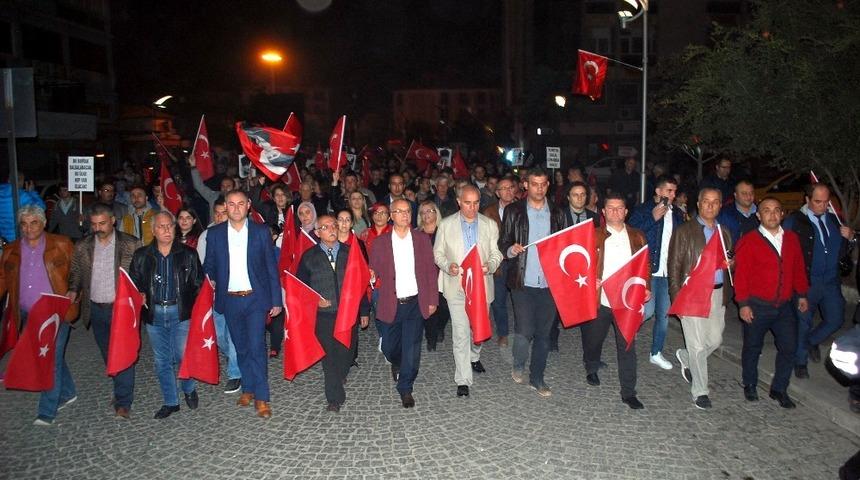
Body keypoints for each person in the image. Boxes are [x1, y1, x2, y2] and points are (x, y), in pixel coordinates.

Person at [203, 190, 282, 419]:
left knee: (257, 347)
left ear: (248, 205)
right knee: (241, 348)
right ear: (225, 207)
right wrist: (211, 277)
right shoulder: (215, 234)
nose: (236, 208)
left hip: (255, 300)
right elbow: (209, 265)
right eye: (231, 204)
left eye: (240, 204)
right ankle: (248, 387)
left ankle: (262, 397)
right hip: (230, 300)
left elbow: (270, 268)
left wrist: (276, 300)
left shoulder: (260, 232)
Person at [0, 206, 79, 425]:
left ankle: (47, 409)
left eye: (33, 222)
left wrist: (75, 292)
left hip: (56, 311)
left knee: (50, 359)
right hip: (27, 313)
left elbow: (77, 273)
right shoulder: (11, 250)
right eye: (24, 223)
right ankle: (69, 391)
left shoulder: (61, 244)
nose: (28, 228)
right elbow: (3, 279)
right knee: (54, 355)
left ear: (43, 223)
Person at [68, 203, 141, 419]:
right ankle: (119, 387)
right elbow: (77, 272)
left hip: (121, 310)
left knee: (124, 353)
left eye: (102, 223)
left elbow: (140, 274)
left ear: (113, 221)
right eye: (94, 224)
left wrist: (141, 294)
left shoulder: (130, 244)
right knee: (107, 353)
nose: (98, 228)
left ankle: (123, 400)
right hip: (96, 308)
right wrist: (73, 290)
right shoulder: (83, 246)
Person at [734, 197, 808, 408]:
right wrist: (743, 304)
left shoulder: (792, 239)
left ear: (782, 214)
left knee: (789, 347)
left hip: (784, 306)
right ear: (759, 215)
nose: (772, 214)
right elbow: (742, 276)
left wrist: (802, 294)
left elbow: (798, 268)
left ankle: (779, 388)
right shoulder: (749, 240)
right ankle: (749, 383)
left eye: (777, 210)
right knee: (752, 347)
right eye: (767, 210)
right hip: (757, 305)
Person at [498, 167, 566, 397]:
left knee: (544, 333)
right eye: (534, 183)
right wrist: (510, 249)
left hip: (549, 282)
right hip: (522, 280)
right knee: (525, 330)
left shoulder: (558, 212)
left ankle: (537, 377)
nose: (539, 188)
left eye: (543, 184)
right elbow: (503, 241)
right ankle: (519, 362)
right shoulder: (513, 211)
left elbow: (566, 246)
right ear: (525, 185)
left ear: (548, 185)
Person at [129, 211, 204, 419]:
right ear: (153, 230)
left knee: (182, 355)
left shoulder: (188, 254)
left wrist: (193, 308)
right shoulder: (142, 256)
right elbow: (132, 283)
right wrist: (139, 293)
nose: (166, 230)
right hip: (154, 314)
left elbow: (199, 284)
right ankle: (171, 401)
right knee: (162, 360)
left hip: (180, 313)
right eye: (161, 227)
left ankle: (188, 388)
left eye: (170, 226)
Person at [433, 186, 502, 397]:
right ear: (458, 202)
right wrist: (448, 266)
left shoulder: (489, 225)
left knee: (476, 331)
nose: (472, 208)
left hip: (480, 286)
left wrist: (489, 266)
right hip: (456, 285)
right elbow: (438, 253)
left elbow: (496, 254)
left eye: (476, 203)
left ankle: (474, 356)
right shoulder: (445, 225)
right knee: (460, 332)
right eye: (467, 203)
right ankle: (463, 378)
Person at [369, 199, 438, 408]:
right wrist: (371, 274)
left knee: (412, 347)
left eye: (408, 211)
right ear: (391, 215)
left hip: (415, 302)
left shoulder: (421, 239)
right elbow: (374, 268)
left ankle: (406, 388)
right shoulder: (381, 242)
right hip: (391, 301)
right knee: (389, 346)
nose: (405, 215)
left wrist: (432, 300)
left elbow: (429, 271)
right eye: (399, 212)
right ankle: (397, 362)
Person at [668, 187, 733, 409]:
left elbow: (727, 261)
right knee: (697, 345)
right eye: (706, 201)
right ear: (699, 204)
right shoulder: (685, 231)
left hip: (716, 292)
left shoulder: (724, 232)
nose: (710, 206)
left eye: (715, 202)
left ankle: (686, 358)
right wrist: (677, 298)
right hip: (692, 293)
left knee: (715, 340)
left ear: (720, 205)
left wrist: (730, 264)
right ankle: (700, 391)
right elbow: (674, 265)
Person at [297, 215, 370, 412]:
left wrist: (364, 310)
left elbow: (361, 283)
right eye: (326, 227)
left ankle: (341, 372)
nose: (332, 229)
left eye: (334, 226)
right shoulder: (309, 257)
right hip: (324, 316)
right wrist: (314, 301)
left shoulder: (351, 253)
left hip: (348, 314)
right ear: (318, 232)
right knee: (328, 358)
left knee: (345, 354)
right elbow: (300, 289)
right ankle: (334, 398)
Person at [783, 183, 856, 379]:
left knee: (836, 319)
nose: (822, 206)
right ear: (807, 200)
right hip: (806, 281)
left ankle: (810, 342)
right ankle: (800, 361)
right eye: (817, 202)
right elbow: (784, 250)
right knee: (803, 322)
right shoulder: (795, 221)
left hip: (830, 280)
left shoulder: (834, 219)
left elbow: (842, 248)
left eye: (826, 202)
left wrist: (849, 238)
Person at [583, 194, 648, 409]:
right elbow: (583, 263)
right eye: (610, 208)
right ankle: (591, 366)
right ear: (603, 211)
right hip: (601, 299)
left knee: (627, 346)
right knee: (594, 340)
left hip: (626, 303)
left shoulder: (637, 236)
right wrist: (591, 278)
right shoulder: (593, 235)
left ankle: (628, 392)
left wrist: (645, 288)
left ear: (626, 211)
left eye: (619, 208)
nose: (615, 212)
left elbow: (644, 266)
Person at [629, 175, 685, 370]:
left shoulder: (677, 213)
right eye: (669, 191)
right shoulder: (644, 209)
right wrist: (652, 218)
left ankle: (656, 352)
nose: (673, 195)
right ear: (658, 192)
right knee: (648, 310)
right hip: (648, 269)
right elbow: (633, 233)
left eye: (675, 191)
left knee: (663, 314)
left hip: (668, 271)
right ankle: (628, 329)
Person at [196, 197, 241, 394]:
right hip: (214, 295)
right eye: (218, 213)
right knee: (220, 335)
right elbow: (202, 264)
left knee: (232, 335)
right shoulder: (207, 236)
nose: (221, 216)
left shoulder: (238, 233)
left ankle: (235, 373)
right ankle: (236, 355)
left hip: (235, 294)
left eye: (225, 212)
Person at [550, 180, 602, 352]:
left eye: (582, 194)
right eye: (575, 195)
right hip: (563, 266)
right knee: (557, 306)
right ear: (568, 197)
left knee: (587, 308)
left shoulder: (594, 218)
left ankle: (590, 348)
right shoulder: (559, 215)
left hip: (584, 269)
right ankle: (552, 338)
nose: (579, 198)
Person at [482, 177, 517, 346]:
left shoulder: (523, 208)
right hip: (499, 261)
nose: (508, 191)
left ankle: (523, 330)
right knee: (499, 299)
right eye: (504, 188)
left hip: (519, 259)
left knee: (519, 299)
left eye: (511, 187)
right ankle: (503, 332)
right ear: (497, 193)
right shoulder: (489, 212)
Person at [419, 201, 449, 351]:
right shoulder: (416, 233)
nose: (426, 214)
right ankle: (431, 337)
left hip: (442, 275)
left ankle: (440, 328)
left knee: (444, 308)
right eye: (423, 212)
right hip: (424, 278)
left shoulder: (444, 231)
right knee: (428, 308)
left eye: (430, 211)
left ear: (436, 213)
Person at [0, 176, 46, 242]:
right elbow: (41, 208)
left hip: (2, 239)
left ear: (8, 180)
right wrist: (32, 192)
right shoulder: (21, 195)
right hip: (16, 238)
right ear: (21, 182)